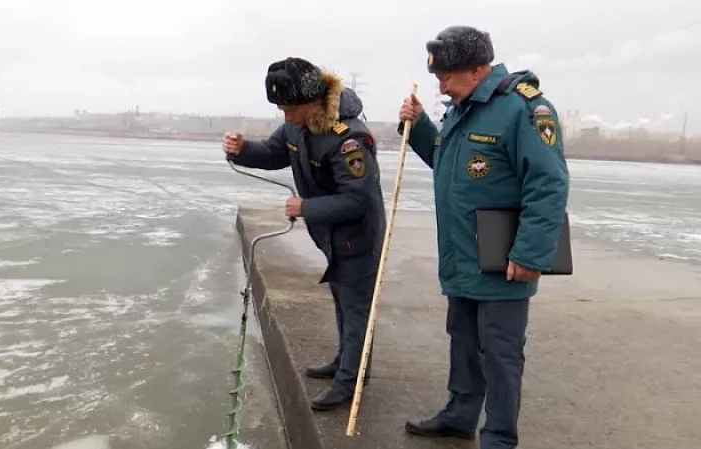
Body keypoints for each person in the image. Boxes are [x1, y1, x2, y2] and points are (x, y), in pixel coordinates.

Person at [397, 26, 569, 448]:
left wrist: (530, 254)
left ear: (478, 70)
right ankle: (460, 415)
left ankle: (499, 438)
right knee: (464, 341)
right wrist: (418, 125)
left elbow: (548, 184)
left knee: (500, 354)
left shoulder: (524, 110)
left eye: (447, 76)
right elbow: (448, 164)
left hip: (502, 257)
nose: (441, 85)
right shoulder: (461, 109)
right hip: (462, 254)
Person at [222, 57, 386, 411]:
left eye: (291, 109)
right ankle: (345, 362)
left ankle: (349, 381)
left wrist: (306, 207)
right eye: (282, 110)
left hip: (358, 236)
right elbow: (273, 152)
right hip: (331, 236)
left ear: (313, 102)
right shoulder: (297, 127)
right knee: (343, 303)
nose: (286, 117)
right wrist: (243, 149)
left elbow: (358, 200)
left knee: (356, 310)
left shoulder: (349, 138)